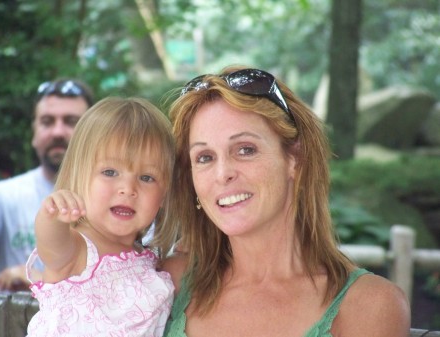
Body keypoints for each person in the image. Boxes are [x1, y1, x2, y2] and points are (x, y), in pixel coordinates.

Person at [160, 66, 411, 336]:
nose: (223, 174)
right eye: (205, 157)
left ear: (295, 159)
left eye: (245, 150)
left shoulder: (367, 306)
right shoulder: (169, 283)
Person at [26, 96, 175, 336]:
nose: (128, 188)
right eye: (110, 172)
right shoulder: (77, 249)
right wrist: (52, 214)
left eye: (147, 177)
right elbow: (50, 244)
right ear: (78, 175)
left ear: (165, 195)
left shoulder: (148, 262)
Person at [0, 78, 94, 292]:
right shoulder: (1, 197)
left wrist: (39, 279)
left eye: (71, 121)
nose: (57, 132)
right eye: (47, 121)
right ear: (34, 133)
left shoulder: (119, 200)